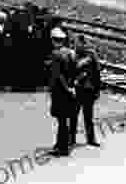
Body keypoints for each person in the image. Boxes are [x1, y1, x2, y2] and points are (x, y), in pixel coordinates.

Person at [48, 27, 76, 157]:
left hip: (59, 91)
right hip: (69, 90)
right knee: (66, 119)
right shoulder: (71, 53)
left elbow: (58, 76)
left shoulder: (55, 54)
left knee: (61, 120)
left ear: (54, 41)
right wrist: (71, 87)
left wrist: (65, 88)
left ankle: (62, 147)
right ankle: (65, 144)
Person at [69, 35, 101, 147]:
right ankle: (71, 139)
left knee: (89, 117)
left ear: (83, 43)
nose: (75, 45)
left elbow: (97, 72)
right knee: (73, 116)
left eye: (77, 43)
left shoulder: (91, 54)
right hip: (77, 89)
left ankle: (91, 139)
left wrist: (97, 89)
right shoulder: (72, 54)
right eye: (75, 43)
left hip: (89, 90)